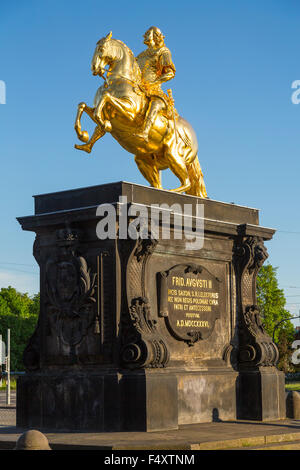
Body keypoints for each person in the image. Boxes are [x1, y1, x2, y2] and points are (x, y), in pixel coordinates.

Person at [136, 27, 176, 142]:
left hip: (154, 90)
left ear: (156, 36)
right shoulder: (141, 55)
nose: (144, 35)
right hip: (138, 88)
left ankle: (145, 132)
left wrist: (153, 83)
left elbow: (170, 73)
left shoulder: (163, 51)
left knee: (155, 104)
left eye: (148, 33)